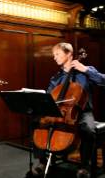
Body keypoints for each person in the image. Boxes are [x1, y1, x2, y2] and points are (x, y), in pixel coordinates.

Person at [32, 42, 96, 178]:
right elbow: (49, 94)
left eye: (57, 54)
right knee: (38, 122)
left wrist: (86, 70)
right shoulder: (56, 77)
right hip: (59, 110)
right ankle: (42, 162)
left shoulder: (85, 70)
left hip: (83, 110)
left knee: (88, 129)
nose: (54, 57)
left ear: (69, 54)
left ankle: (84, 166)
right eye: (54, 55)